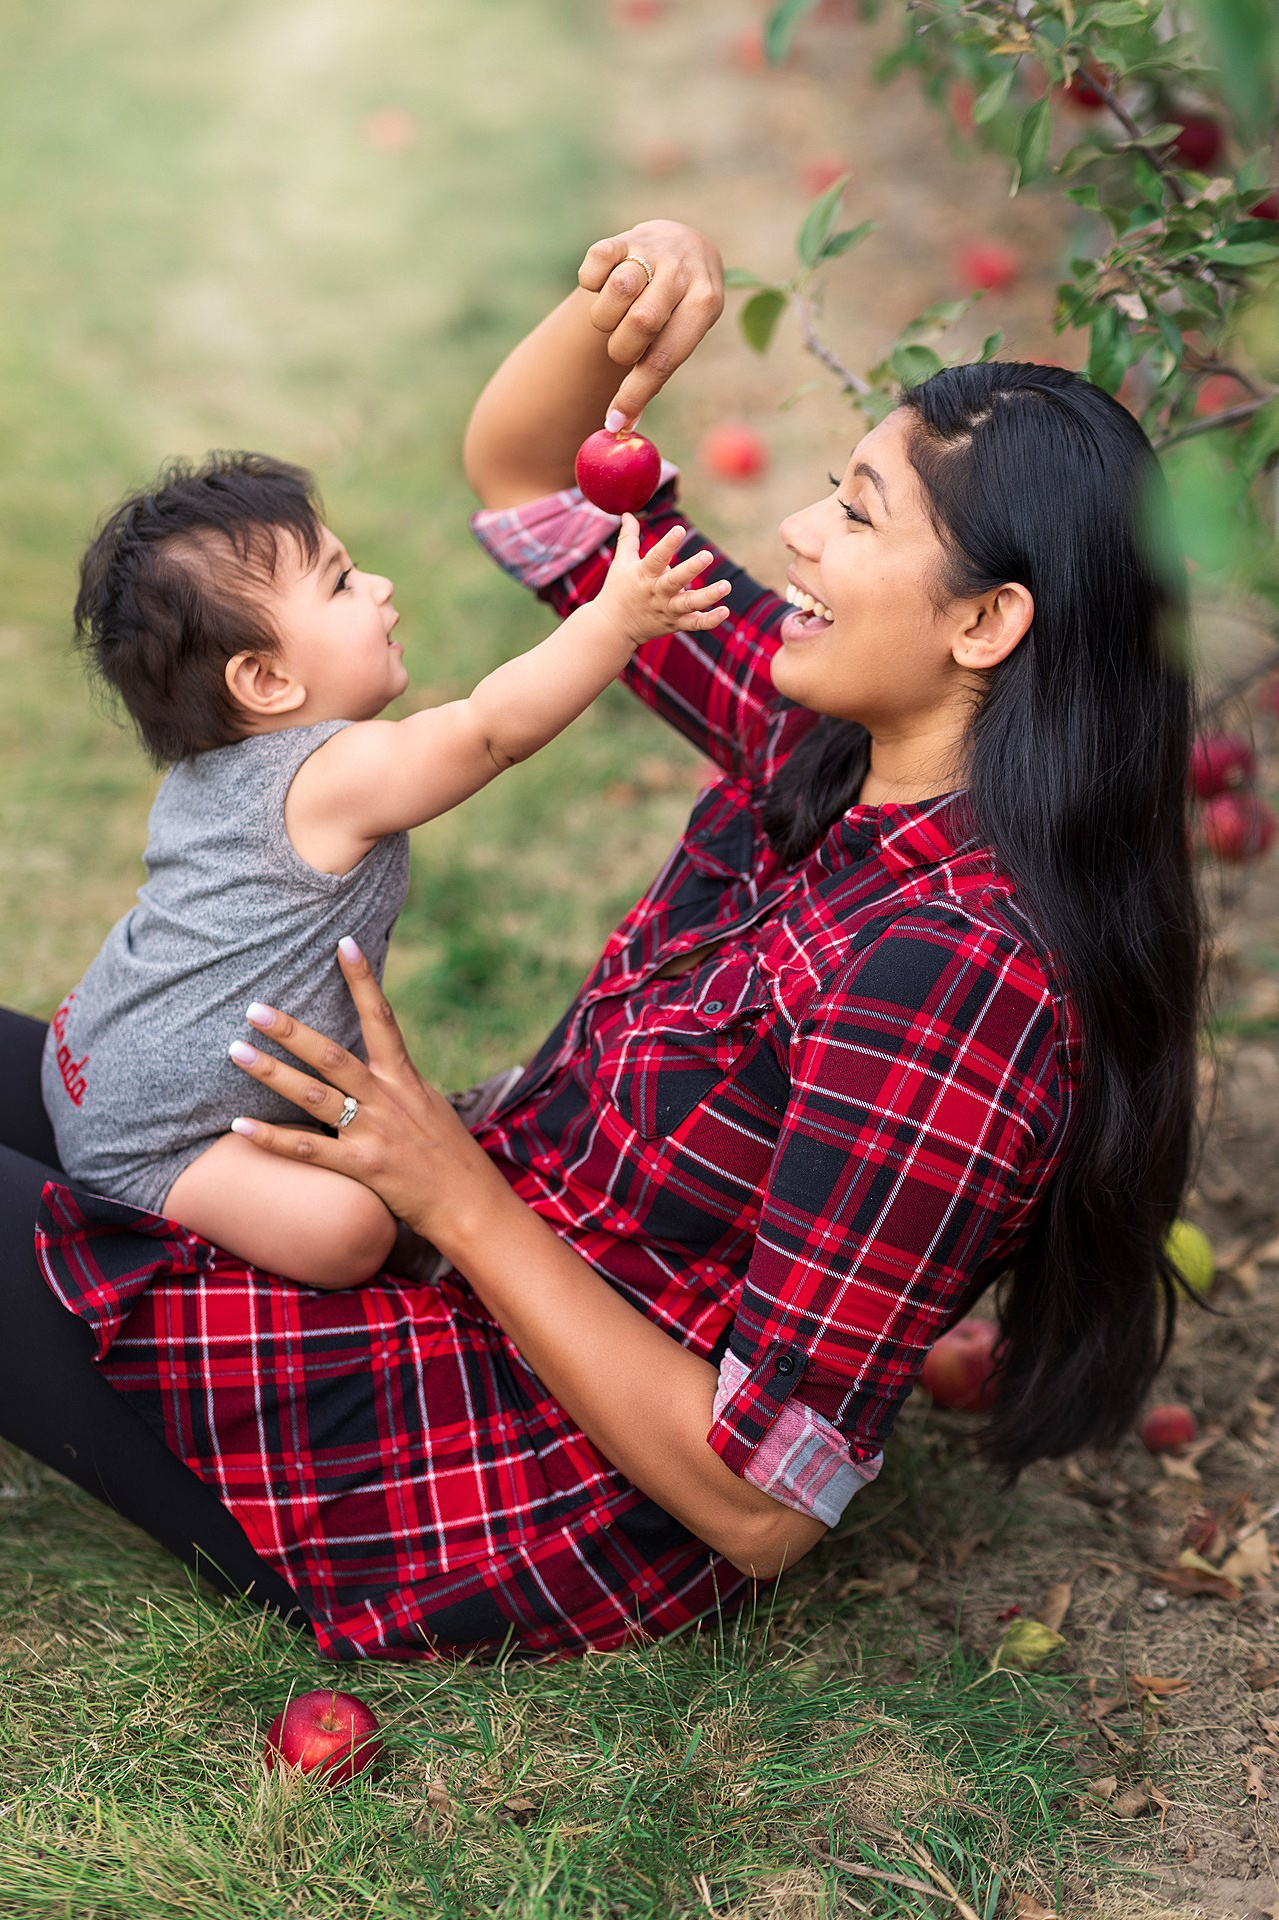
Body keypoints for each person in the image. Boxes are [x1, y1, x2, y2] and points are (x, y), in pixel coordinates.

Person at [0, 218, 1202, 1660]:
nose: (797, 534)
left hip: (510, 1479)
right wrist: (625, 294)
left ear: (986, 623)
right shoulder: (823, 737)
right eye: (826, 491)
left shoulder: (955, 976)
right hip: (444, 1264)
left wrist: (454, 1200)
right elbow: (531, 483)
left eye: (860, 515)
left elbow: (759, 1503)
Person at [40, 454, 728, 1289]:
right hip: (154, 1145)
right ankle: (401, 1237)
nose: (380, 584)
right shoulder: (325, 779)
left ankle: (360, 1146)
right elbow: (487, 732)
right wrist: (614, 620)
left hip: (86, 1051)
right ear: (264, 679)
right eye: (339, 584)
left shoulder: (207, 774)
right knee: (350, 1232)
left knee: (359, 1104)